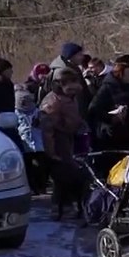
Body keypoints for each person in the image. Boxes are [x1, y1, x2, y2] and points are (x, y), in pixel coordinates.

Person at [39, 67, 86, 220]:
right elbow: (47, 129)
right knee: (62, 178)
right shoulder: (52, 101)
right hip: (59, 142)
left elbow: (75, 117)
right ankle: (59, 208)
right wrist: (52, 152)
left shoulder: (72, 98)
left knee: (76, 176)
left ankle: (75, 206)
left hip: (71, 139)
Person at [87, 54, 129, 154]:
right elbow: (93, 109)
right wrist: (112, 118)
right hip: (111, 137)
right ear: (122, 73)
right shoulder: (107, 88)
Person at [14, 88, 47, 194]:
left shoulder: (37, 112)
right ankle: (32, 187)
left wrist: (41, 121)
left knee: (42, 166)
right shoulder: (16, 113)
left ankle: (42, 186)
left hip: (38, 143)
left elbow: (44, 121)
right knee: (28, 167)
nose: (26, 103)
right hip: (25, 143)